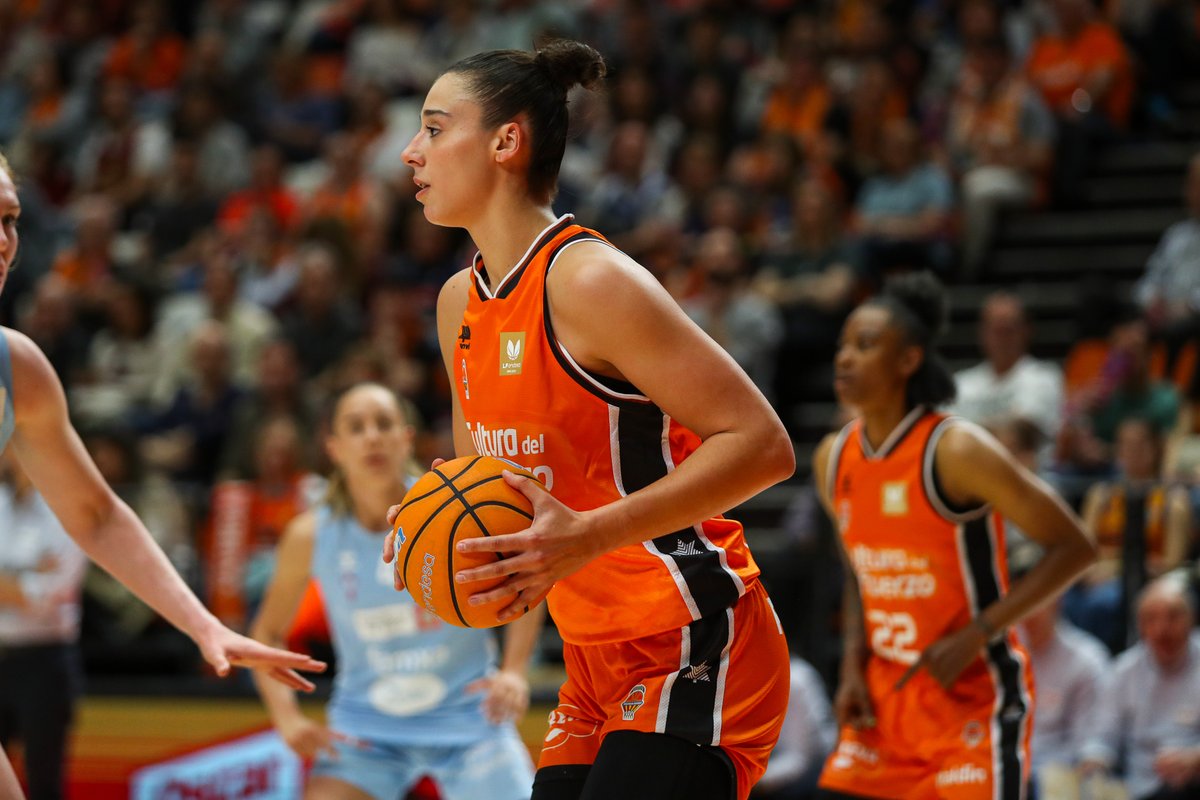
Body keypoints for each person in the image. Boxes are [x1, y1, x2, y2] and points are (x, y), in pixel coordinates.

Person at [381, 40, 796, 800]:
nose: (412, 152)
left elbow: (764, 446)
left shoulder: (592, 281)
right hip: (589, 654)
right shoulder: (456, 306)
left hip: (692, 631)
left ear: (507, 141)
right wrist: (433, 535)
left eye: (436, 129)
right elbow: (494, 500)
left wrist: (591, 536)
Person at [0, 150, 325, 799]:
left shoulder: (18, 370)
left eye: (9, 219)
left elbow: (94, 514)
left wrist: (204, 624)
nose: (2, 240)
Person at [811, 272, 1095, 800]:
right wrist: (852, 666)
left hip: (972, 698)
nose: (845, 358)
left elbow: (1075, 547)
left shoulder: (955, 449)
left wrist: (976, 634)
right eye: (843, 345)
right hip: (884, 703)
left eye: (865, 345)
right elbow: (858, 573)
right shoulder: (832, 459)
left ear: (908, 360)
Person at [251, 383, 538, 799]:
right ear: (334, 447)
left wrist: (514, 670)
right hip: (365, 730)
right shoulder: (310, 534)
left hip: (469, 720)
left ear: (406, 439)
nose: (372, 436)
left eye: (383, 424)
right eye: (356, 427)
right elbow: (265, 634)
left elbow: (528, 575)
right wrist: (286, 718)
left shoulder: (460, 508)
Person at [0, 451, 86, 800]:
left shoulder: (66, 510)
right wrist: (25, 577)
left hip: (45, 662)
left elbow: (49, 595)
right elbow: (30, 588)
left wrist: (22, 585)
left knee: (45, 782)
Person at [1079, 573, 1200, 800]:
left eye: (1173, 616)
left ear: (1191, 619)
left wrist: (1195, 758)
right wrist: (1095, 763)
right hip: (1139, 788)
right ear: (1140, 626)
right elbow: (1102, 737)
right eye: (1150, 619)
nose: (1162, 629)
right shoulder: (1123, 671)